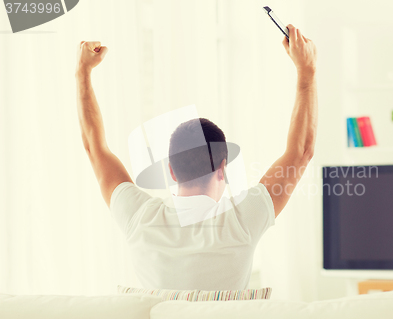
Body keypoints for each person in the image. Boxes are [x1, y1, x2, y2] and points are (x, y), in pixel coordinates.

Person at [75, 24, 318, 290]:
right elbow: (301, 152)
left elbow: (94, 146)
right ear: (222, 168)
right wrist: (306, 72)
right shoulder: (241, 220)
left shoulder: (140, 217)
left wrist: (83, 72)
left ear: (171, 171)